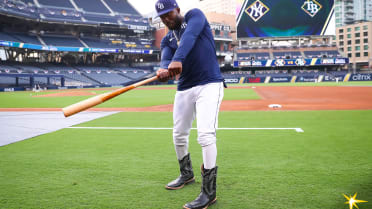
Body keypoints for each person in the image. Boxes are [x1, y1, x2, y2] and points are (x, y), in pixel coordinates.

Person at [154, 0, 225, 208]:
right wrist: (163, 70)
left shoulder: (195, 16)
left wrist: (178, 59)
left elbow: (190, 38)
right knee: (178, 134)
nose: (167, 19)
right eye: (162, 17)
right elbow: (165, 60)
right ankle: (186, 174)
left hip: (209, 83)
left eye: (169, 14)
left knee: (205, 134)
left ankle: (209, 192)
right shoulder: (167, 39)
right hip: (185, 87)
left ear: (177, 10)